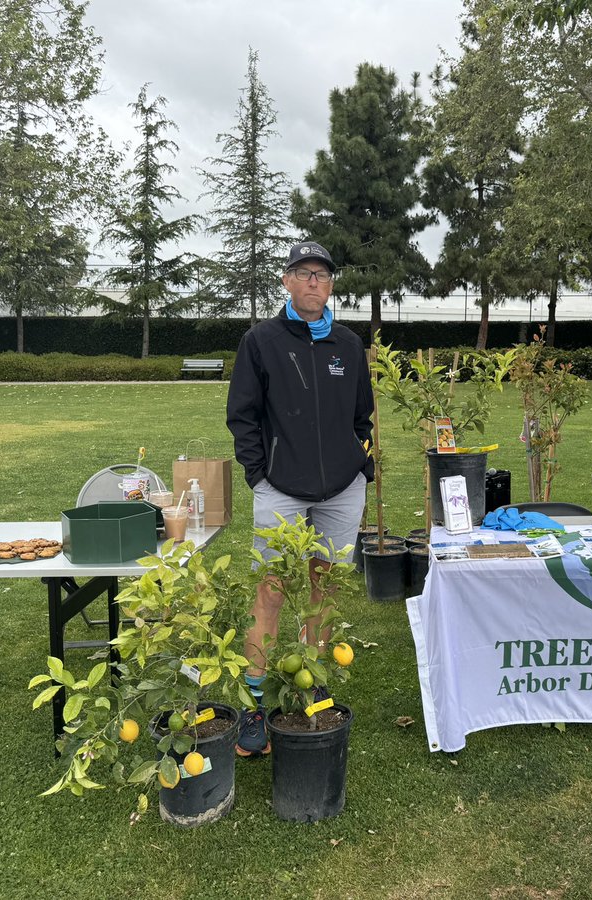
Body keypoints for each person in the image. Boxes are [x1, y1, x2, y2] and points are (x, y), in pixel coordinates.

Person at [225, 240, 374, 757]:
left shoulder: (350, 346)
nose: (314, 281)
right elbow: (242, 415)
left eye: (323, 275)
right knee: (269, 591)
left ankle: (311, 681)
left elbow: (362, 416)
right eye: (303, 272)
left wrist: (363, 462)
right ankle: (254, 703)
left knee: (322, 587)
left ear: (331, 285)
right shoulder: (260, 341)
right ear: (286, 281)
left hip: (342, 489)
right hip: (280, 490)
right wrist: (258, 475)